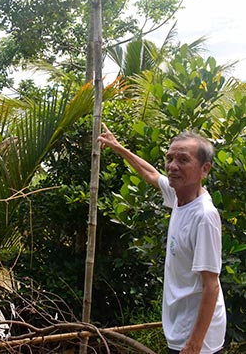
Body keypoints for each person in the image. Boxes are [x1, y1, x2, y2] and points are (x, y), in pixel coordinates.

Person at [97, 124, 226, 354]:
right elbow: (151, 174)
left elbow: (211, 286)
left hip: (198, 339)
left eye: (183, 160)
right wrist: (118, 147)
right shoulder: (178, 195)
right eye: (169, 158)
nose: (172, 166)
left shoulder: (204, 216)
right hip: (180, 327)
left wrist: (195, 344)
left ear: (204, 169)